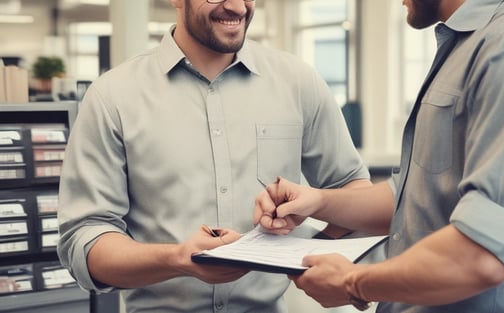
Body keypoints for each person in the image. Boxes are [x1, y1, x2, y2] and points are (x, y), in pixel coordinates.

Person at [254, 0, 504, 312]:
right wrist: (317, 201)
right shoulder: (465, 45)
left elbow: (481, 255)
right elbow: (414, 198)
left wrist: (353, 282)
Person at [56, 0, 372, 312]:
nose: (237, 7)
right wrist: (177, 259)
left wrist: (308, 257)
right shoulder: (113, 96)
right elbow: (85, 243)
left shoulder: (298, 81)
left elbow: (354, 190)